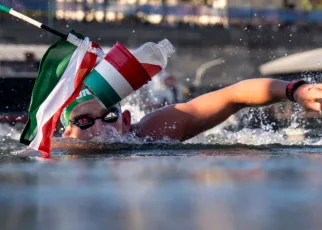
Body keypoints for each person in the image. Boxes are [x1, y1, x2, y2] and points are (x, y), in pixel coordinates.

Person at [60, 78, 322, 141]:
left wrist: (295, 90)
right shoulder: (53, 151)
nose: (99, 128)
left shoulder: (149, 134)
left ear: (126, 121)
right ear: (66, 133)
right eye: (83, 121)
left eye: (108, 116)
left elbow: (232, 96)